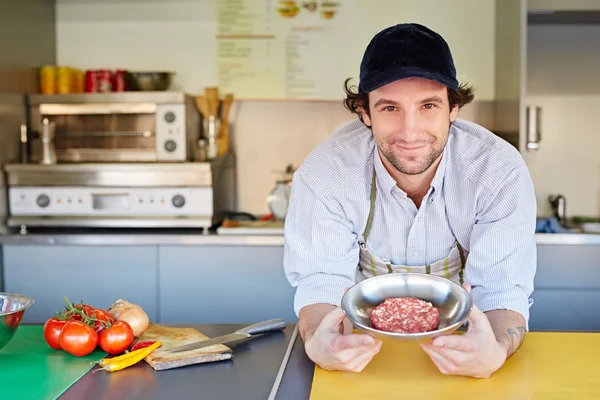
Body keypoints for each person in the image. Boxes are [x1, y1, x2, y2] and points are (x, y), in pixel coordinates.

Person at [283, 23, 537, 379]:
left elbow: (501, 289)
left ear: (453, 107)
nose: (410, 132)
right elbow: (322, 281)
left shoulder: (497, 171)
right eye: (389, 108)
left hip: (466, 348)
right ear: (364, 112)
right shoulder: (326, 173)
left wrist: (494, 349)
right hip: (362, 356)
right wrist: (319, 341)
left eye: (428, 105)